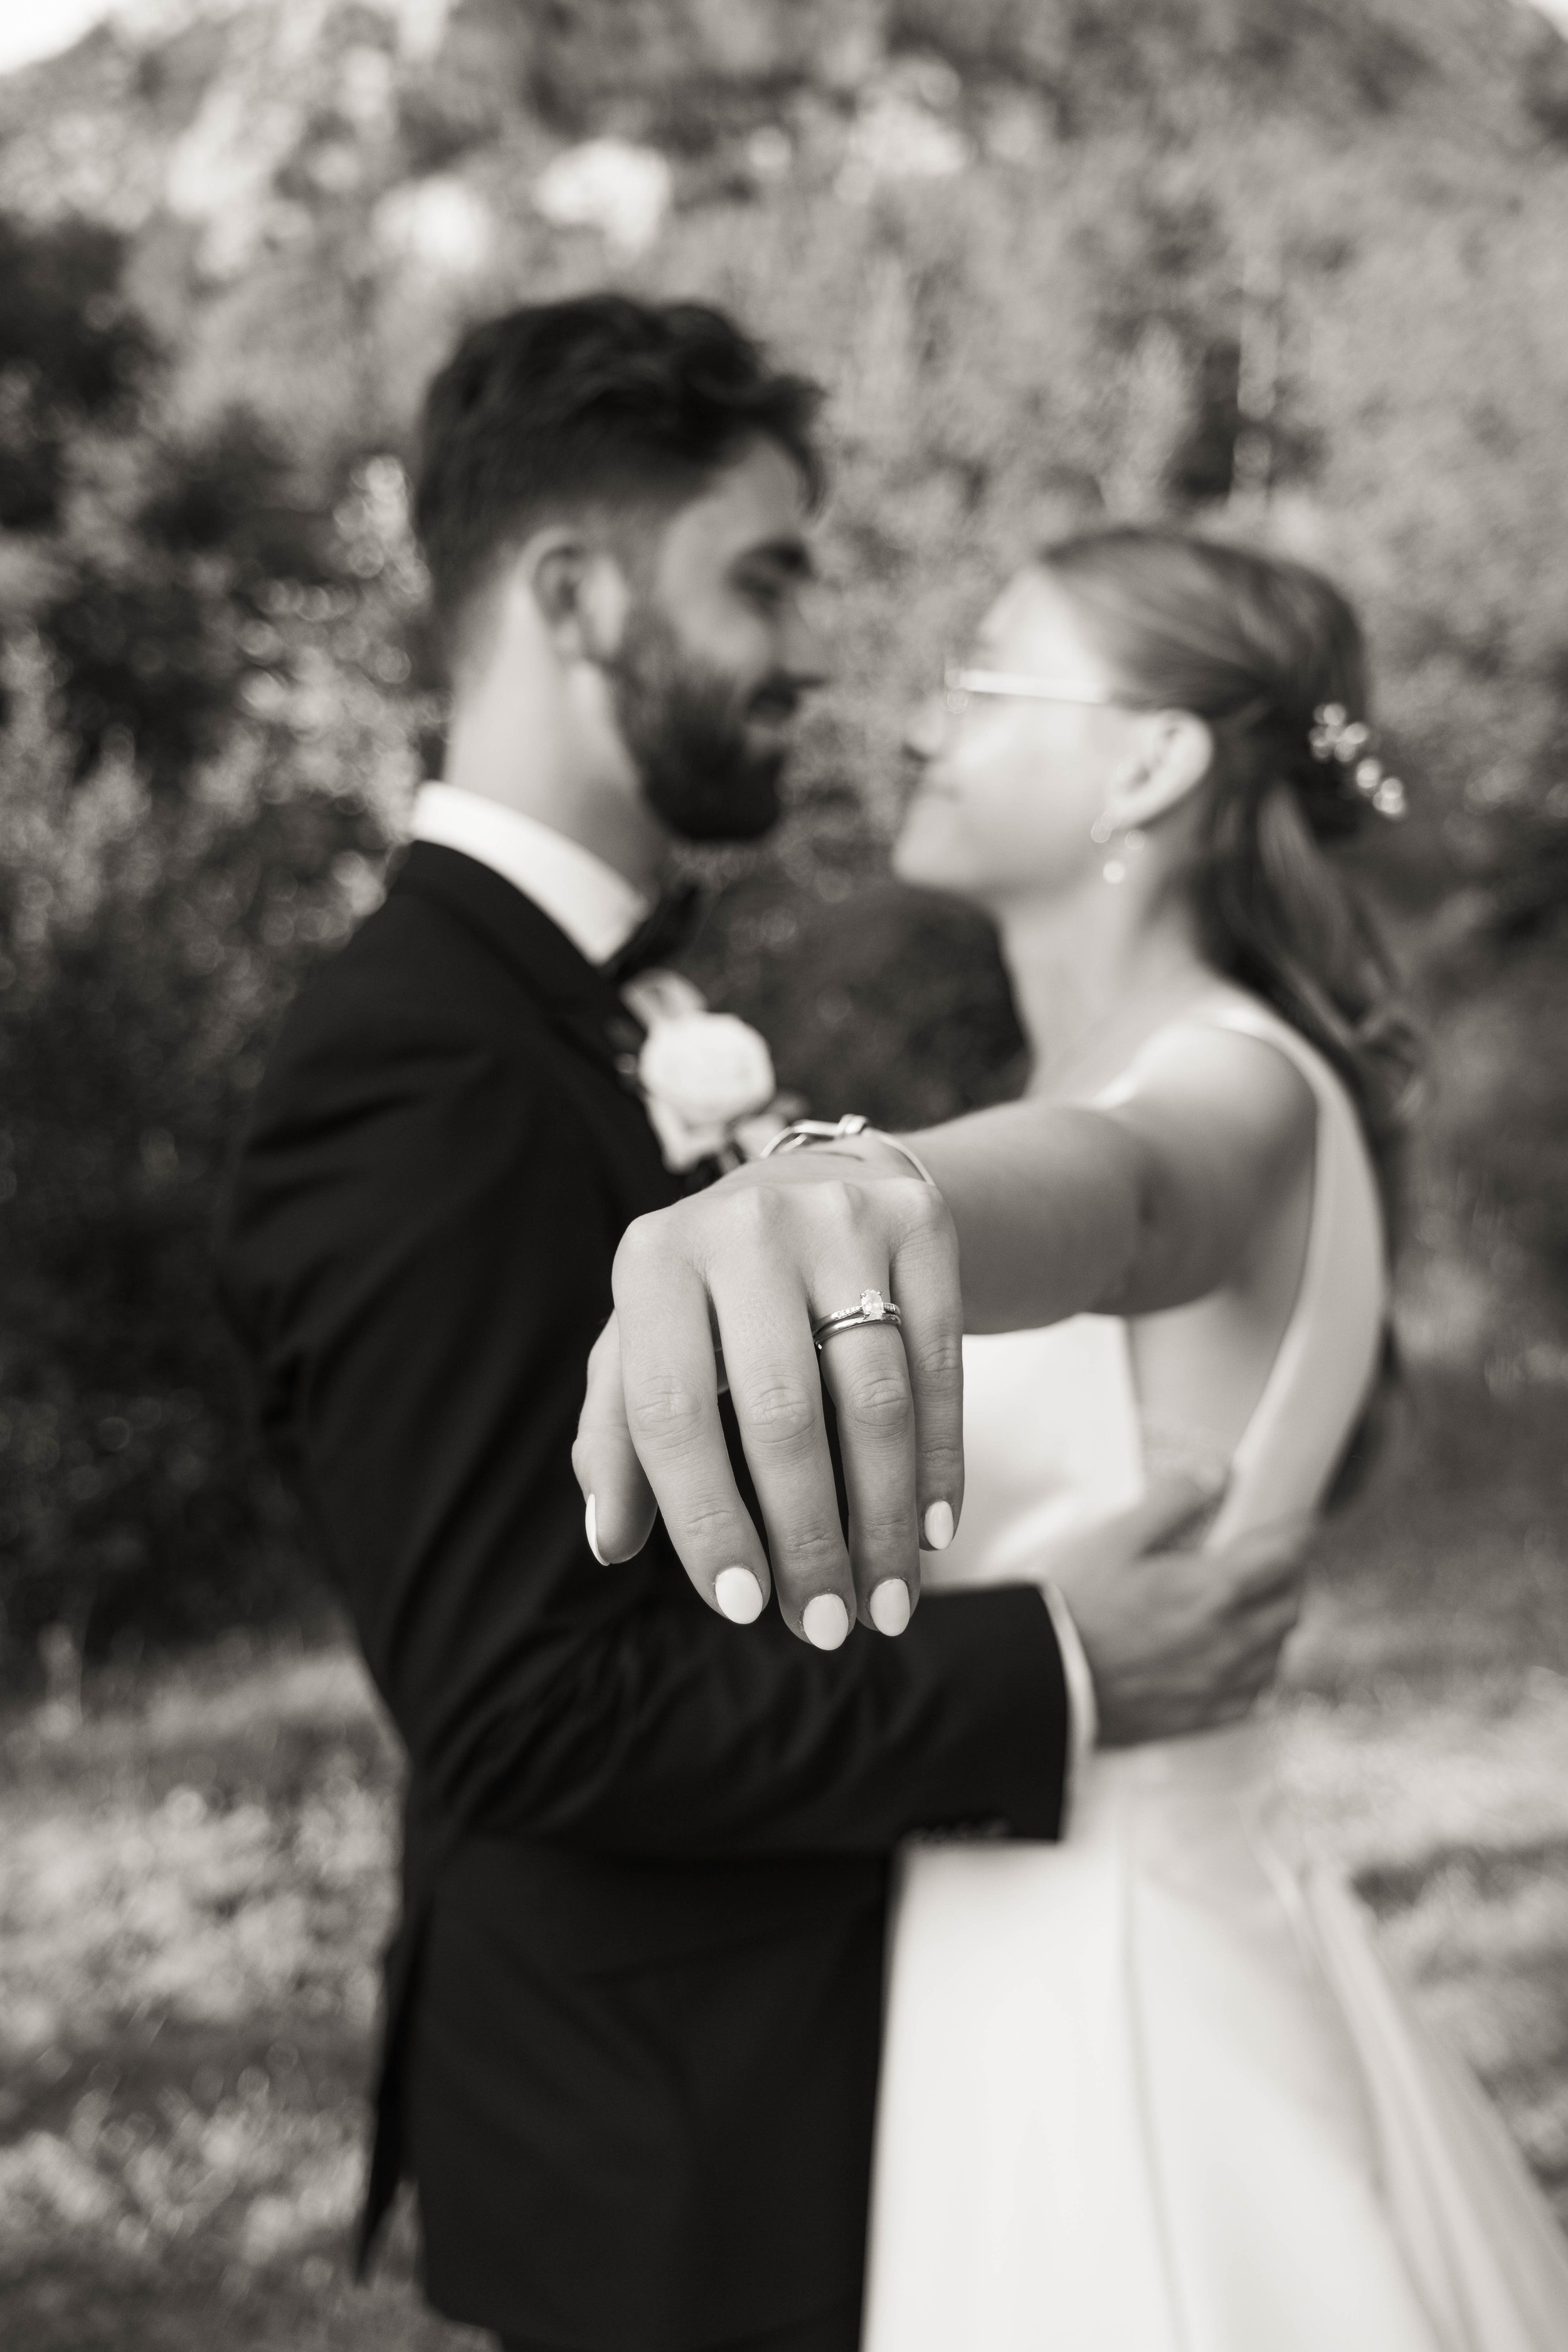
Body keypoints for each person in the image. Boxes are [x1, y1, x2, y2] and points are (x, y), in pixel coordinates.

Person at [216, 304, 1303, 2352]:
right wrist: (1056, 1664)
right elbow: (523, 1707)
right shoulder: (413, 1063)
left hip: (829, 2070)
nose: (812, 645)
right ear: (572, 594)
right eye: (766, 576)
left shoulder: (599, 1009)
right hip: (664, 2153)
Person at [579, 526, 1568, 2347]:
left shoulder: (1235, 1080)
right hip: (1003, 1941)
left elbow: (1122, 1199)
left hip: (1128, 1991)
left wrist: (850, 1194)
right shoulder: (1093, 1072)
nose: (920, 723)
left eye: (982, 679)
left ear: (1149, 761)